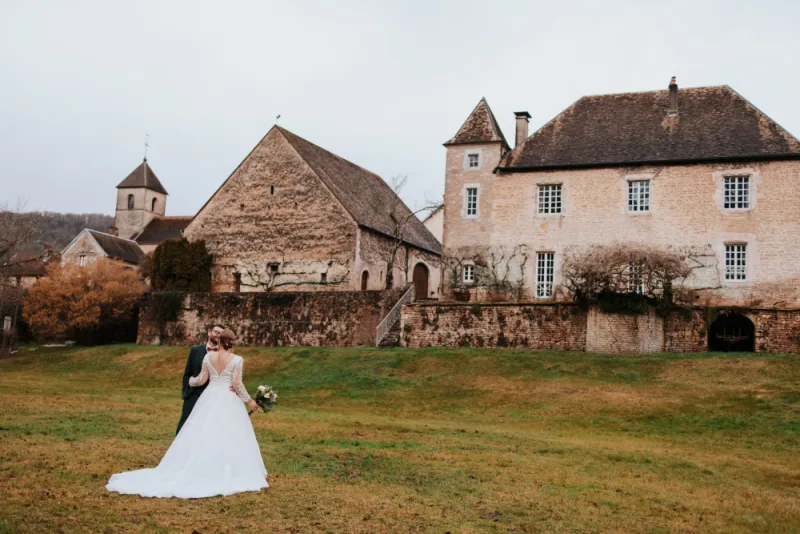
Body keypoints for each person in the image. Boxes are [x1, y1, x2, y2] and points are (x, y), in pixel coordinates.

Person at [106, 329, 268, 498]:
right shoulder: (237, 360)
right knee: (229, 433)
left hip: (209, 397)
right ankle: (228, 469)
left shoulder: (208, 357)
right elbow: (237, 383)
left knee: (204, 431)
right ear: (232, 342)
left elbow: (201, 380)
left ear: (219, 341)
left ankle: (204, 465)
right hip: (228, 399)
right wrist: (249, 401)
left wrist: (190, 380)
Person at [176, 325, 222, 435]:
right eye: (216, 332)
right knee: (185, 422)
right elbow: (187, 373)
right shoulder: (195, 350)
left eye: (221, 334)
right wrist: (186, 392)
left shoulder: (223, 354)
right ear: (209, 333)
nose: (218, 335)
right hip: (193, 393)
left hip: (212, 396)